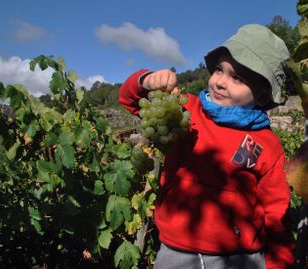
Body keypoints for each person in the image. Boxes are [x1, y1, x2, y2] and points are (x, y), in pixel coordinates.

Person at [119, 24, 294, 269]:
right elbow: (129, 99)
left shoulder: (268, 145)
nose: (221, 82)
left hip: (241, 259)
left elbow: (277, 213)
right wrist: (146, 80)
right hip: (175, 254)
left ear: (263, 95)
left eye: (238, 78)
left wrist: (280, 264)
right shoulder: (184, 110)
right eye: (220, 70)